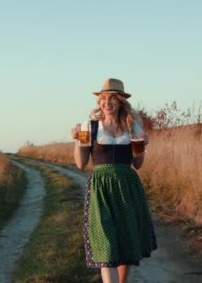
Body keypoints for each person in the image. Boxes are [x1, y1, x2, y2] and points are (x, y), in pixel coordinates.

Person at [70, 78, 157, 283]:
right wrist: (77, 140)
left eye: (112, 98)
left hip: (127, 186)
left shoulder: (132, 126)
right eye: (103, 98)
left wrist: (143, 145)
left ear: (120, 102)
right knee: (105, 241)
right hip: (100, 188)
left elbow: (138, 164)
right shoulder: (88, 127)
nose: (107, 102)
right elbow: (81, 163)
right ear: (99, 102)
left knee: (128, 238)